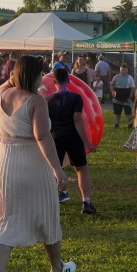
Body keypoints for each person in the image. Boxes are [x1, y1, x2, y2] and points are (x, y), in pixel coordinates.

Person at [0, 55, 75, 272]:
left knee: (5, 217)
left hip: (4, 163)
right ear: (34, 75)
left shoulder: (1, 95)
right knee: (47, 215)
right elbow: (42, 137)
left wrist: (11, 78)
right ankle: (56, 270)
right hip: (32, 163)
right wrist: (58, 169)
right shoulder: (36, 100)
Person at [48, 67, 97, 215]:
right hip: (73, 137)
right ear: (68, 80)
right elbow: (77, 119)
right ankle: (86, 202)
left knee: (55, 169)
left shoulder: (48, 100)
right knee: (81, 169)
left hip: (55, 137)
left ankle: (52, 200)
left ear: (54, 81)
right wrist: (87, 141)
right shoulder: (76, 98)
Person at [110, 63, 135, 129]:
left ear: (127, 70)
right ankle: (117, 124)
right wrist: (113, 91)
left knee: (128, 112)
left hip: (126, 97)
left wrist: (130, 97)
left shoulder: (130, 78)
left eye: (124, 70)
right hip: (117, 96)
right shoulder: (116, 77)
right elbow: (112, 84)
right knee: (117, 112)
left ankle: (130, 125)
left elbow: (132, 88)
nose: (123, 71)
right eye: (121, 70)